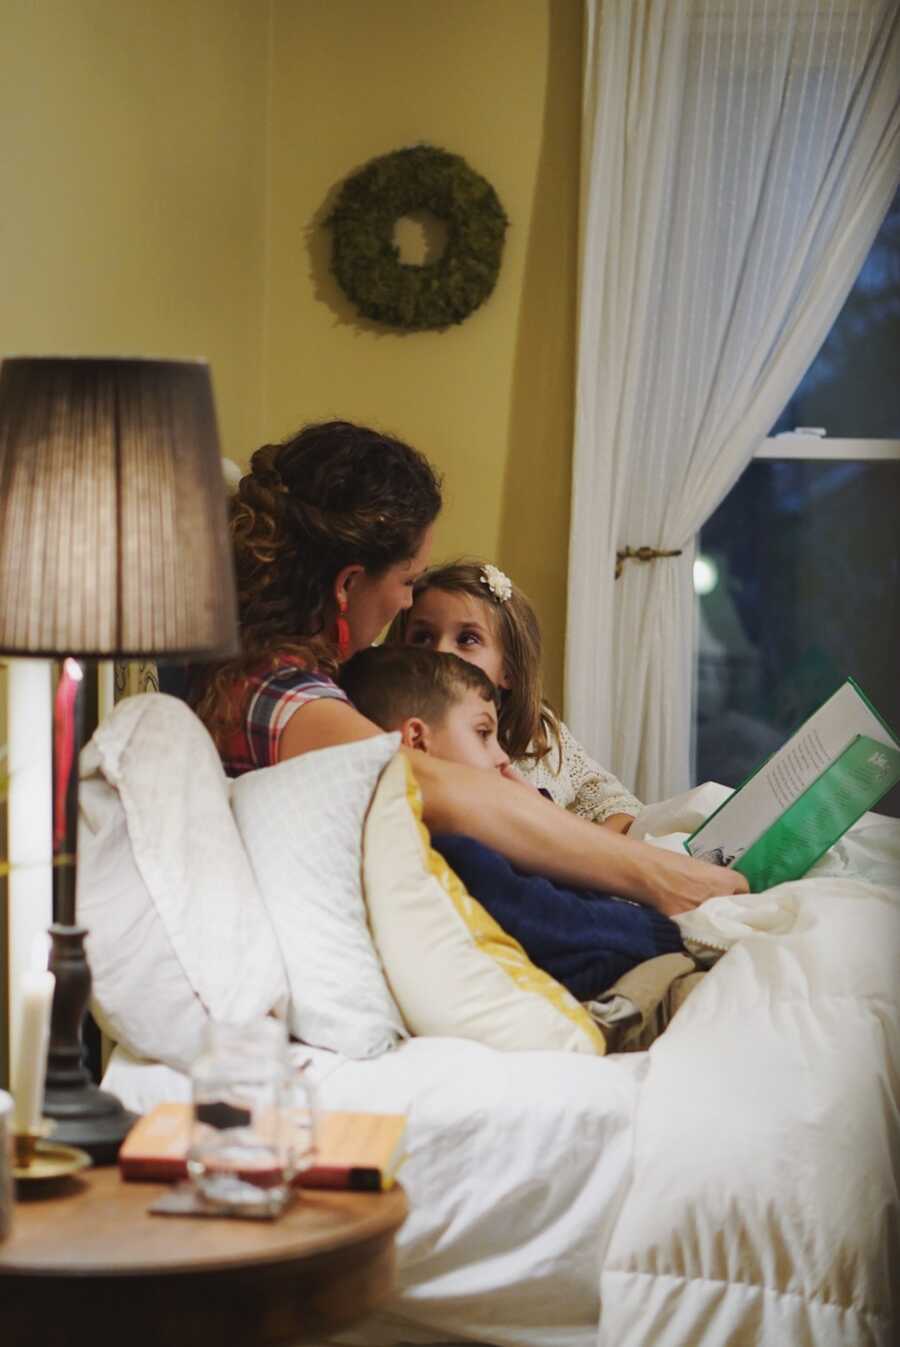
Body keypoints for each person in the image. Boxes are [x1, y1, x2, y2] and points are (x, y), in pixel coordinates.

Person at [191, 419, 748, 917]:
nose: (407, 605)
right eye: (408, 582)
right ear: (347, 585)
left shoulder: (282, 673)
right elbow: (446, 793)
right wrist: (661, 877)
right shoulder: (278, 692)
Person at [338, 645, 686, 998]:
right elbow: (558, 922)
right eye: (483, 733)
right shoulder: (449, 849)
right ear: (417, 740)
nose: (502, 757)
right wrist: (672, 931)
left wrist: (539, 810)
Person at [386, 559, 640, 832]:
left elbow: (621, 807)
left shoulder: (540, 734)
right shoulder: (393, 735)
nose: (440, 652)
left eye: (467, 639)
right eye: (422, 637)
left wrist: (581, 844)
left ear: (508, 670)